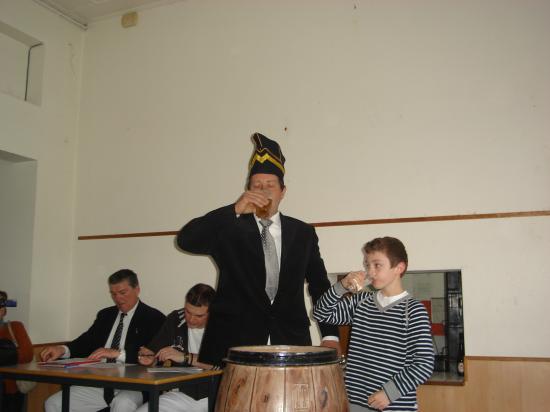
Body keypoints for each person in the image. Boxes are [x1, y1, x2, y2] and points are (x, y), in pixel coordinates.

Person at [177, 133, 339, 367]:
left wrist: (330, 334)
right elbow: (186, 240)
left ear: (283, 191)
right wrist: (233, 209)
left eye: (270, 186)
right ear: (247, 190)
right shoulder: (229, 227)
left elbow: (319, 285)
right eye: (257, 186)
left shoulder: (303, 233)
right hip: (235, 343)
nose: (263, 192)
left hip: (289, 340)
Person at [313, 237, 434, 412]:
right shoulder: (362, 301)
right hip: (355, 402)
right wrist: (341, 286)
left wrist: (389, 393)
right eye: (367, 265)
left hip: (393, 405)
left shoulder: (413, 310)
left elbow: (424, 363)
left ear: (399, 268)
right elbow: (321, 313)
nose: (370, 271)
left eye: (377, 265)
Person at [41, 269, 166, 412]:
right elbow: (86, 341)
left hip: (134, 385)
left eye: (123, 293)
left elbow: (152, 355)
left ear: (137, 289)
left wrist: (117, 354)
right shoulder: (105, 315)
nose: (118, 298)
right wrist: (62, 349)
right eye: (113, 294)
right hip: (100, 382)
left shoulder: (154, 318)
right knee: (54, 403)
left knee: (122, 403)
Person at [135, 283, 215, 412]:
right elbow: (153, 352)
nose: (191, 319)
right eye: (188, 311)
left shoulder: (223, 327)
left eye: (199, 316)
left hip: (214, 395)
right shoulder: (175, 319)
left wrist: (185, 357)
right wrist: (149, 358)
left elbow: (220, 365)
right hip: (182, 393)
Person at [0, 291, 34, 412]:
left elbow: (27, 354)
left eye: (1, 305)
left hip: (11, 390)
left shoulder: (15, 327)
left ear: (4, 310)